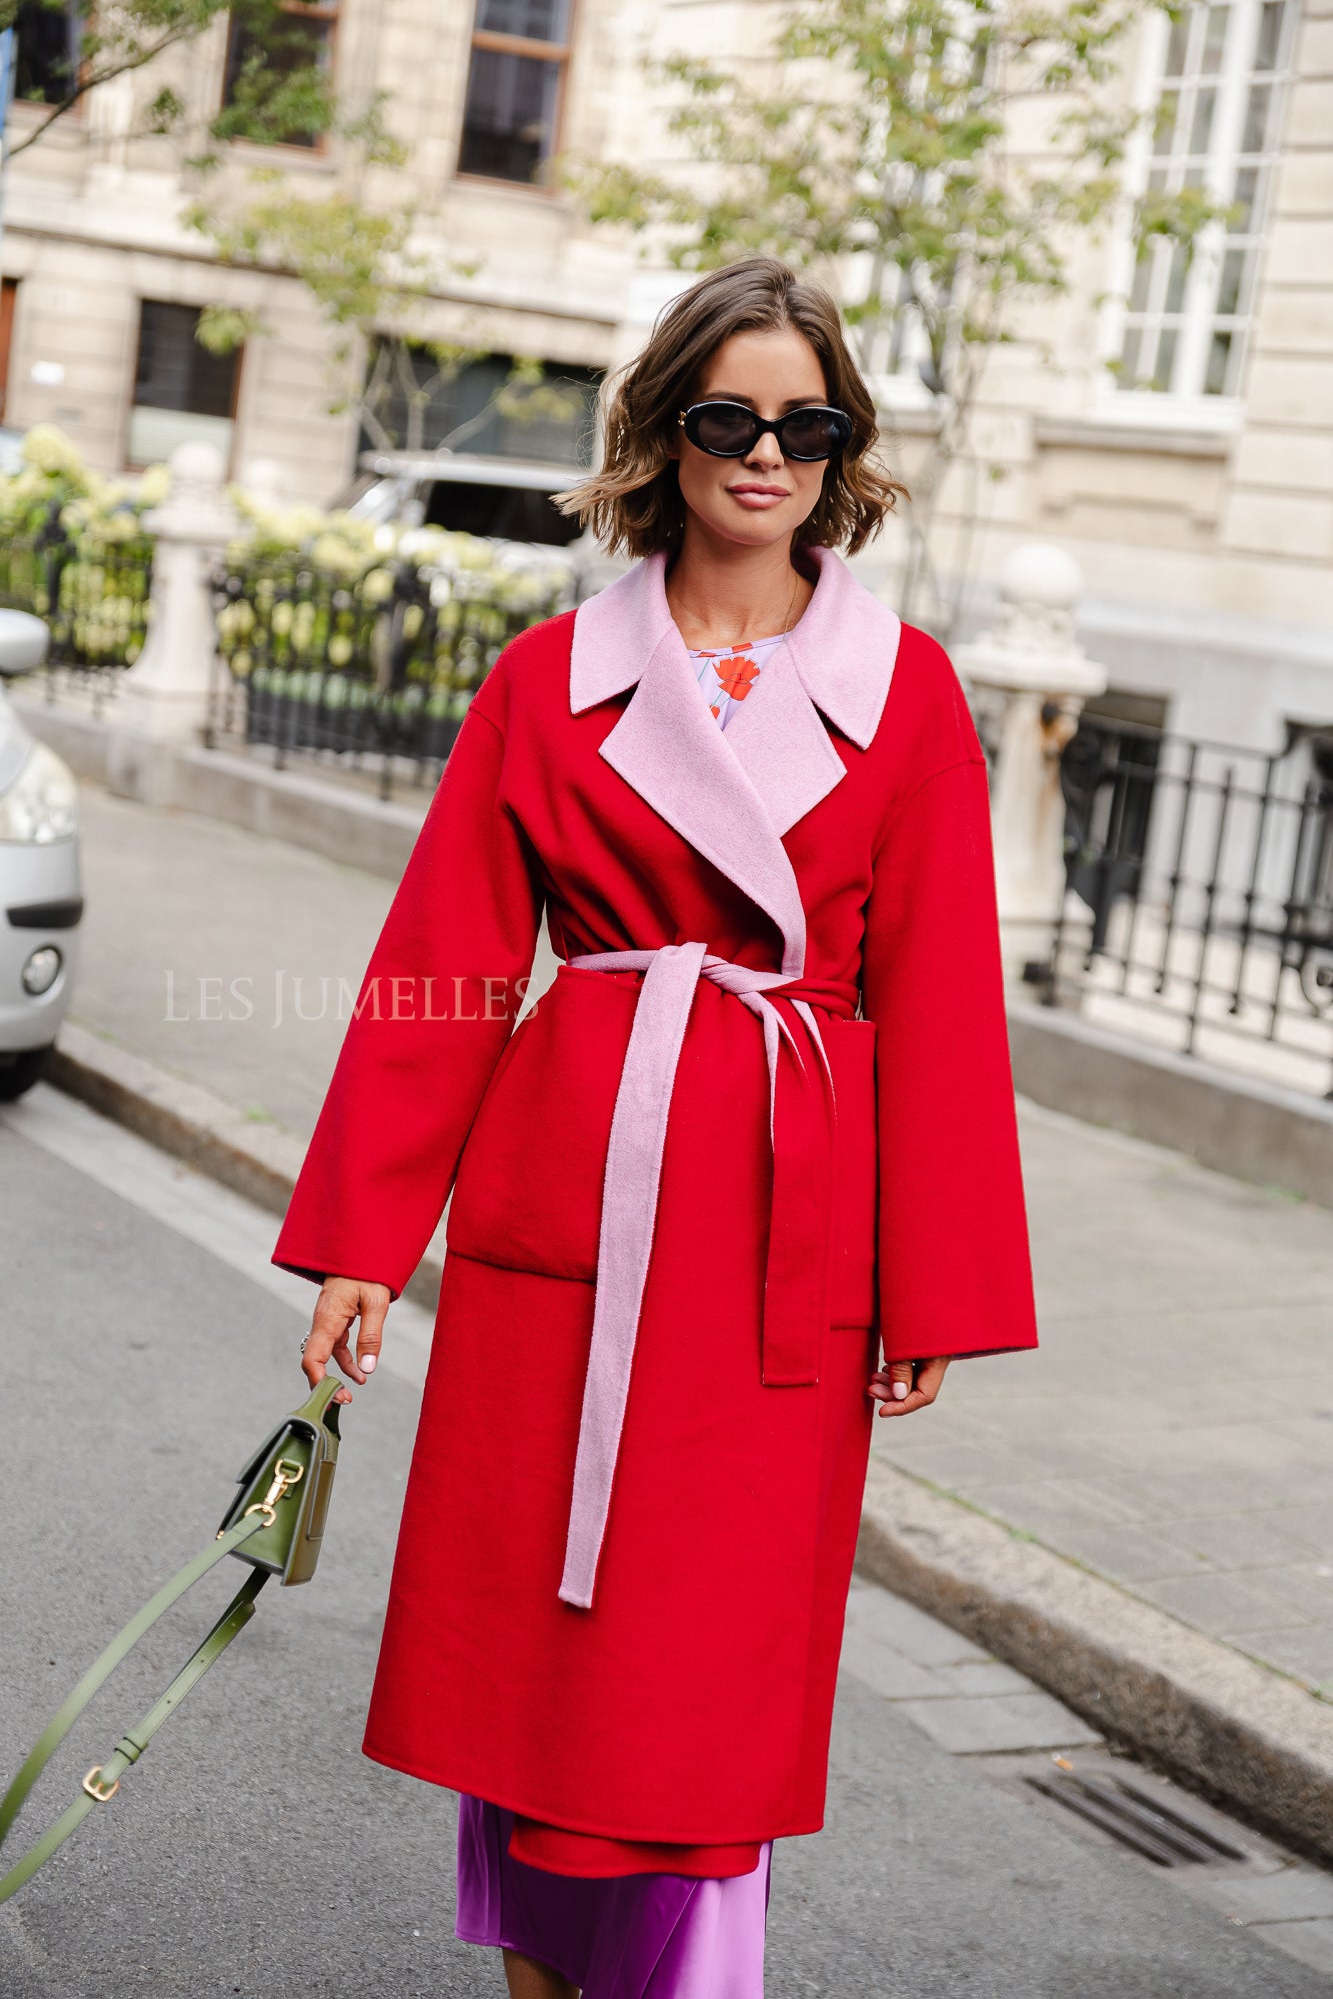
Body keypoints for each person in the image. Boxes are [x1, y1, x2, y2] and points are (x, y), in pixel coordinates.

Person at [274, 255, 1040, 1998]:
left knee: (701, 1669)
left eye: (805, 424)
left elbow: (939, 1006)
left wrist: (933, 1282)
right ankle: (542, 1979)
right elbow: (445, 968)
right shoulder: (550, 678)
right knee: (542, 1642)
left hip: (785, 1228)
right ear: (660, 430)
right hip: (574, 1191)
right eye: (726, 416)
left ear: (840, 450)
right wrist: (356, 1246)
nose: (762, 455)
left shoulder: (905, 692)